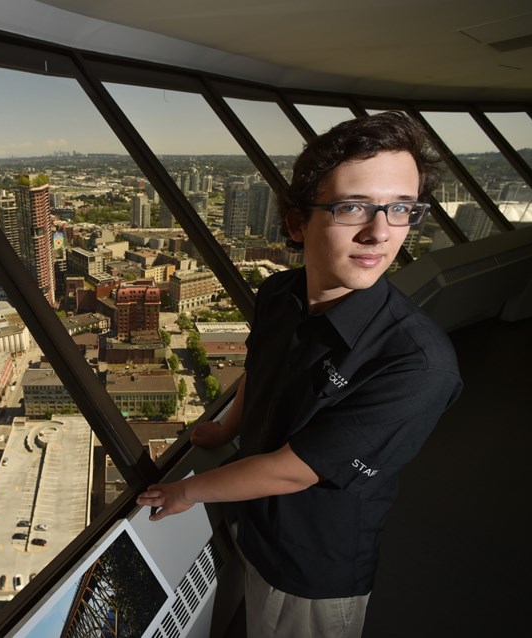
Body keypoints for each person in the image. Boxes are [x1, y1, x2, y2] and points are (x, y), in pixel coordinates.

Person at [137, 111, 462, 637]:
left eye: (400, 208)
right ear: (295, 222)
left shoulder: (417, 364)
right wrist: (225, 431)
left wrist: (187, 492)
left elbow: (297, 470)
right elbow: (261, 373)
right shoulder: (279, 294)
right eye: (353, 206)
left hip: (309, 564)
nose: (380, 232)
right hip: (250, 521)